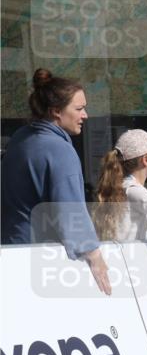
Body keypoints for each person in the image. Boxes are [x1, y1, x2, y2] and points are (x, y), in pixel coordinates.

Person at [1, 68, 111, 295]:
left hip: (11, 247)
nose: (85, 115)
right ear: (56, 112)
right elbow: (70, 210)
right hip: (40, 258)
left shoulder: (21, 138)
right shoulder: (60, 151)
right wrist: (94, 255)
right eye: (79, 109)